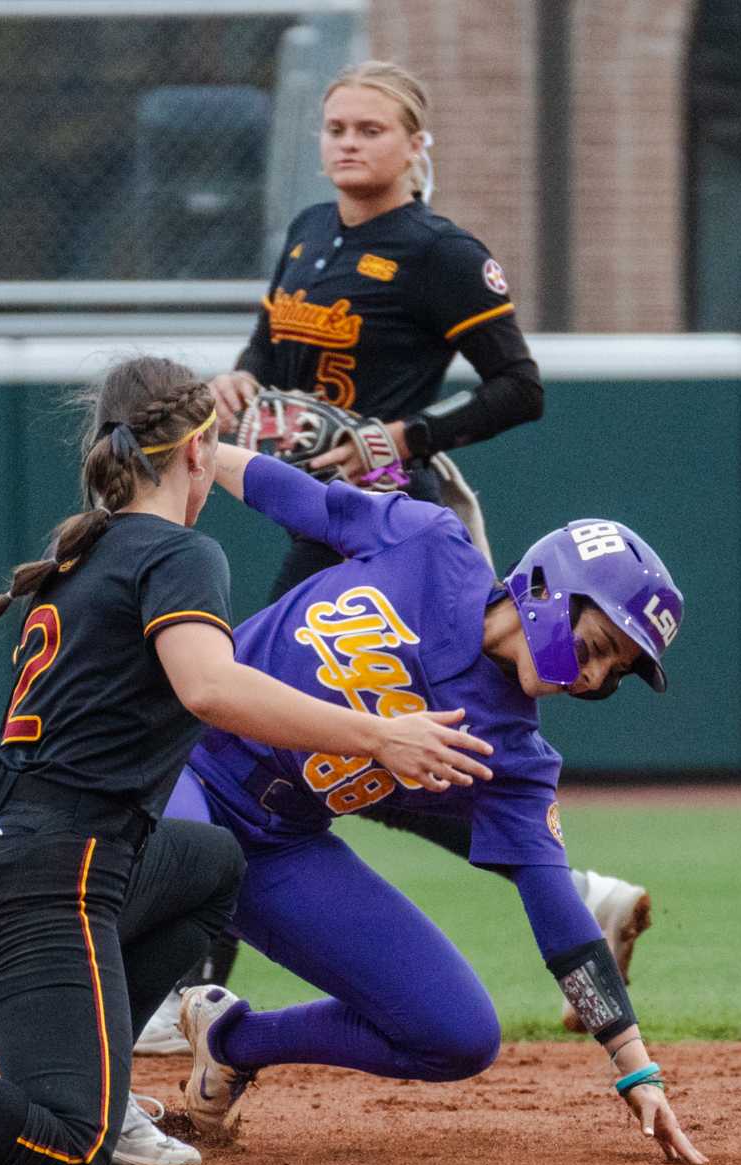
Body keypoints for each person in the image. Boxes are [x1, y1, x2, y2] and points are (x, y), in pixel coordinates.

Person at [0, 357, 493, 1165]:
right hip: (45, 878)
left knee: (213, 864)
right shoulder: (178, 551)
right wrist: (377, 735)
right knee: (66, 1146)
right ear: (199, 453)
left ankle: (109, 1089)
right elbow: (209, 686)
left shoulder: (85, 550)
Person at [134, 60, 649, 1055]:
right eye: (335, 126)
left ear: (417, 146)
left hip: (401, 521)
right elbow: (266, 348)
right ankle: (568, 889)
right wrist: (238, 385)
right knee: (321, 734)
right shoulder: (303, 233)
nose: (346, 143)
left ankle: (192, 986)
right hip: (319, 511)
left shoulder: (439, 253)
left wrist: (402, 439)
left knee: (287, 723)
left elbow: (519, 386)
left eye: (370, 128)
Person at [160, 451, 707, 1165]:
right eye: (601, 645)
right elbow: (303, 500)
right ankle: (76, 1100)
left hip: (278, 843)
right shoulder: (427, 542)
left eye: (615, 672)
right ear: (549, 585)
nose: (596, 675)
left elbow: (561, 917)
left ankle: (231, 1042)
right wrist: (197, 450)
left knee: (458, 1032)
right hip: (181, 762)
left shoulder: (512, 755)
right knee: (171, 876)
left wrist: (633, 1064)